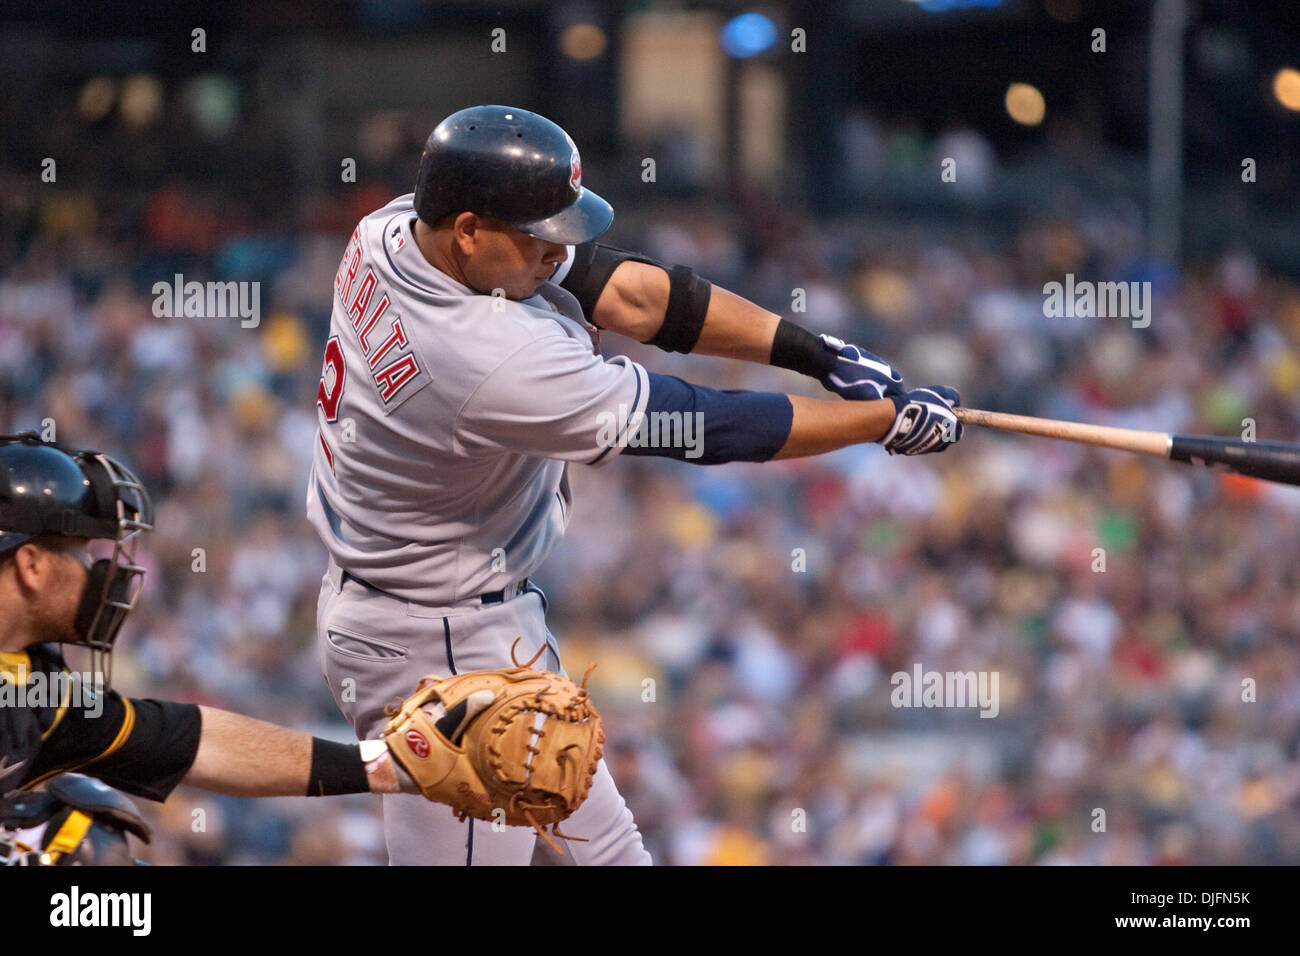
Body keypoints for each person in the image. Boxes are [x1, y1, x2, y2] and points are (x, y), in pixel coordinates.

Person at [307, 104, 963, 866]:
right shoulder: (487, 358)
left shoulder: (391, 232)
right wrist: (880, 422)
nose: (557, 255)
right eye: (537, 239)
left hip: (426, 608)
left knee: (613, 853)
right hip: (438, 645)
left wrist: (822, 354)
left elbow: (631, 294)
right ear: (469, 229)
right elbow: (706, 425)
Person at [0, 433, 442, 864]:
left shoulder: (35, 684)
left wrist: (391, 762)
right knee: (70, 848)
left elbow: (195, 741)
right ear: (31, 565)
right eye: (81, 554)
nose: (97, 572)